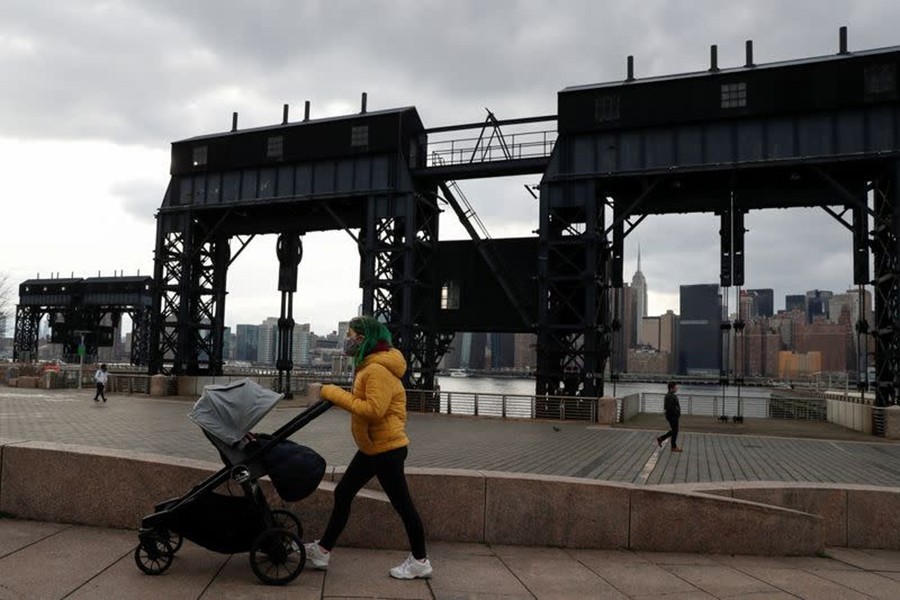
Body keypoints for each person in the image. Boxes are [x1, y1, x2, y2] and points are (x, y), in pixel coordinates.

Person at [304, 316, 432, 580]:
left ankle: (420, 560)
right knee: (343, 492)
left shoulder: (376, 370)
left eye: (350, 336)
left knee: (403, 505)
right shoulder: (371, 365)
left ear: (363, 339)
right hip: (373, 447)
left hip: (386, 449)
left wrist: (330, 392)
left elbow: (374, 410)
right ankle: (323, 550)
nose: (347, 340)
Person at [656, 381, 682, 452]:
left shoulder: (670, 395)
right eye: (675, 387)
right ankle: (673, 447)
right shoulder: (670, 396)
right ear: (671, 388)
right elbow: (670, 408)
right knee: (675, 430)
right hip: (672, 416)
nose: (676, 389)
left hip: (671, 416)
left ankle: (661, 438)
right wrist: (676, 414)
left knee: (674, 430)